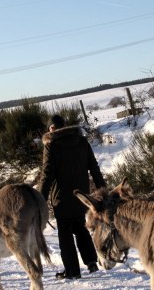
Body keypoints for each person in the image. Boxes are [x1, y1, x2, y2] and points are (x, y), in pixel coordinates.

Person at [39, 115, 105, 280]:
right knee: (80, 227)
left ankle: (72, 271)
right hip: (82, 196)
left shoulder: (51, 145)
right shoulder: (81, 141)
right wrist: (104, 191)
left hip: (61, 198)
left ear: (51, 129)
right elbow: (94, 167)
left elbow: (47, 175)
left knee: (65, 234)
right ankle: (91, 261)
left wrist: (40, 200)